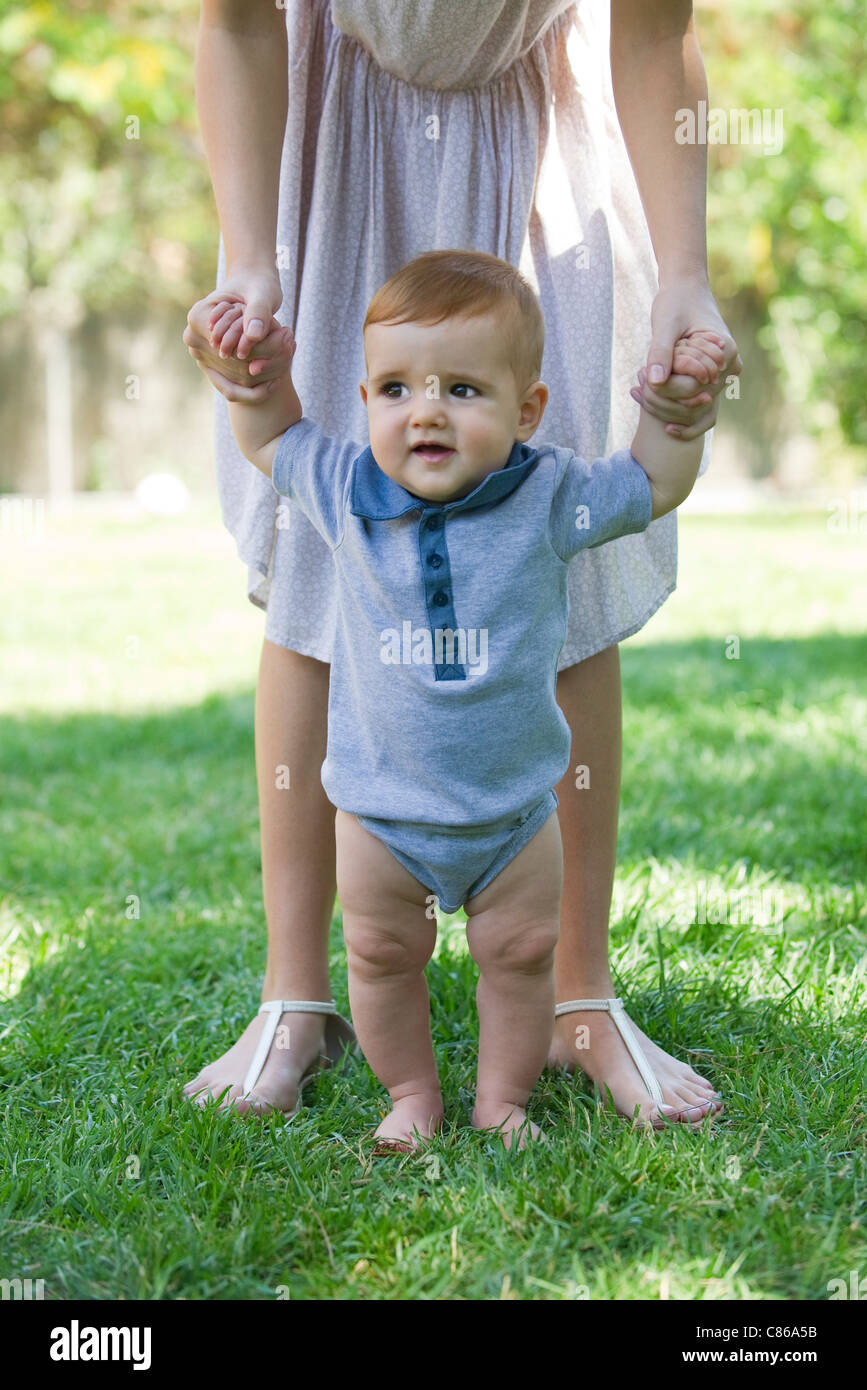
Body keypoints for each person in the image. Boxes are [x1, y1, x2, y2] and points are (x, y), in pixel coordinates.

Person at [183, 0, 740, 1127]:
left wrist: (686, 275)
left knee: (563, 559)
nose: (421, 412)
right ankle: (298, 995)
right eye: (395, 396)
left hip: (540, 126)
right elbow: (238, 20)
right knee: (315, 560)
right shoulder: (338, 450)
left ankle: (579, 996)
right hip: (332, 132)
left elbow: (653, 24)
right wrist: (251, 267)